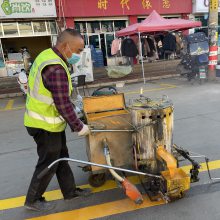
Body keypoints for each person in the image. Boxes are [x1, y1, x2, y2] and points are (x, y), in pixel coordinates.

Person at [24, 29, 90, 211]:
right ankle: (33, 199)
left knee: (61, 157)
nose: (79, 55)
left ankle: (70, 192)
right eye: (77, 50)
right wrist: (79, 126)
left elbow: (57, 98)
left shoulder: (48, 55)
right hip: (43, 124)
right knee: (49, 162)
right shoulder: (56, 68)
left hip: (47, 122)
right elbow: (62, 103)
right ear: (65, 46)